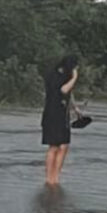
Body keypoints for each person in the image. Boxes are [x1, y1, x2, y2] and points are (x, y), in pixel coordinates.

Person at [41, 55, 79, 185]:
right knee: (54, 146)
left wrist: (75, 108)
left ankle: (55, 177)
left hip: (61, 114)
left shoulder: (61, 75)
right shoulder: (56, 76)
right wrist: (75, 77)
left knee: (63, 146)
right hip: (54, 114)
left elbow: (69, 94)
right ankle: (50, 178)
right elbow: (64, 90)